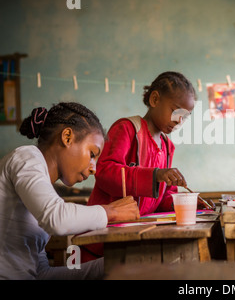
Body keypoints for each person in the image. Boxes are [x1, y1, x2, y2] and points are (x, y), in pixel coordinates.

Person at [0, 102, 140, 280]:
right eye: (92, 154)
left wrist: (113, 264)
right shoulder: (25, 158)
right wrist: (110, 212)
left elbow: (42, 274)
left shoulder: (42, 190)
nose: (94, 168)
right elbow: (57, 218)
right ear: (67, 137)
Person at [83, 71, 208, 262]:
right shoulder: (126, 129)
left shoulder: (167, 146)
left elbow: (164, 195)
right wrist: (155, 175)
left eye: (185, 116)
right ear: (155, 99)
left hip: (138, 236)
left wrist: (189, 203)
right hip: (104, 237)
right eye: (176, 112)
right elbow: (105, 172)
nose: (179, 121)